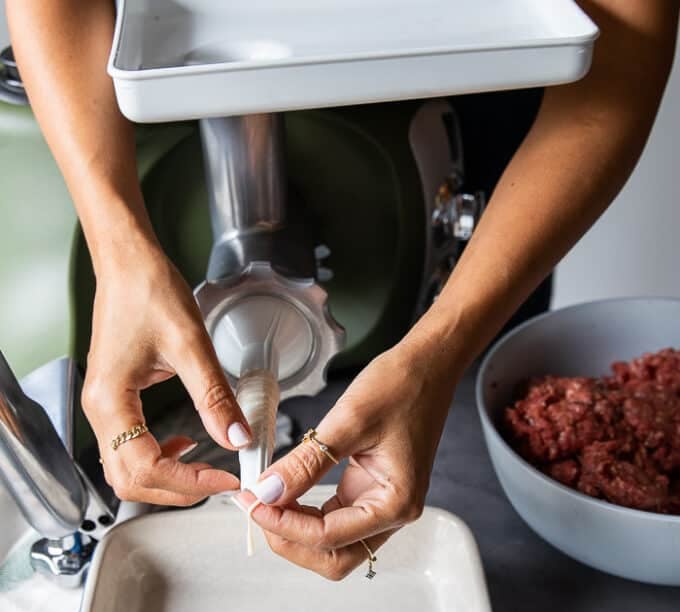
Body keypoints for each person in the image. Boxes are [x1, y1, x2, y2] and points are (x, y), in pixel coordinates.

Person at [7, 1, 679, 579]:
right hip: (125, 140)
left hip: (483, 176)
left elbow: (625, 32)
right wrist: (120, 248)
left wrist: (438, 355)